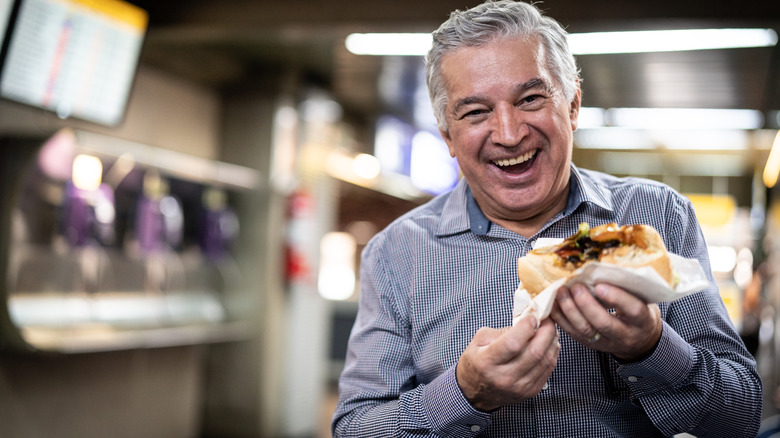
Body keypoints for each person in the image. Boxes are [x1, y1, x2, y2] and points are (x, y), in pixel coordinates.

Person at [331, 1, 762, 436]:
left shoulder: (658, 216)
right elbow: (356, 428)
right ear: (448, 136)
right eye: (476, 112)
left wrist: (650, 347)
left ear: (573, 105)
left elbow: (741, 416)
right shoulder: (396, 253)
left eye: (531, 99)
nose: (510, 133)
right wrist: (464, 393)